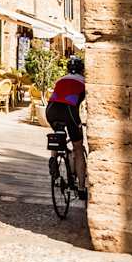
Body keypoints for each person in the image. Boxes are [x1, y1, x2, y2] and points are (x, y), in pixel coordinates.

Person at [46, 55, 88, 190]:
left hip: (51, 110)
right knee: (78, 147)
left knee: (58, 135)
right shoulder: (85, 82)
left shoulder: (60, 80)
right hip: (69, 110)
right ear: (82, 70)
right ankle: (81, 188)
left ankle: (54, 158)